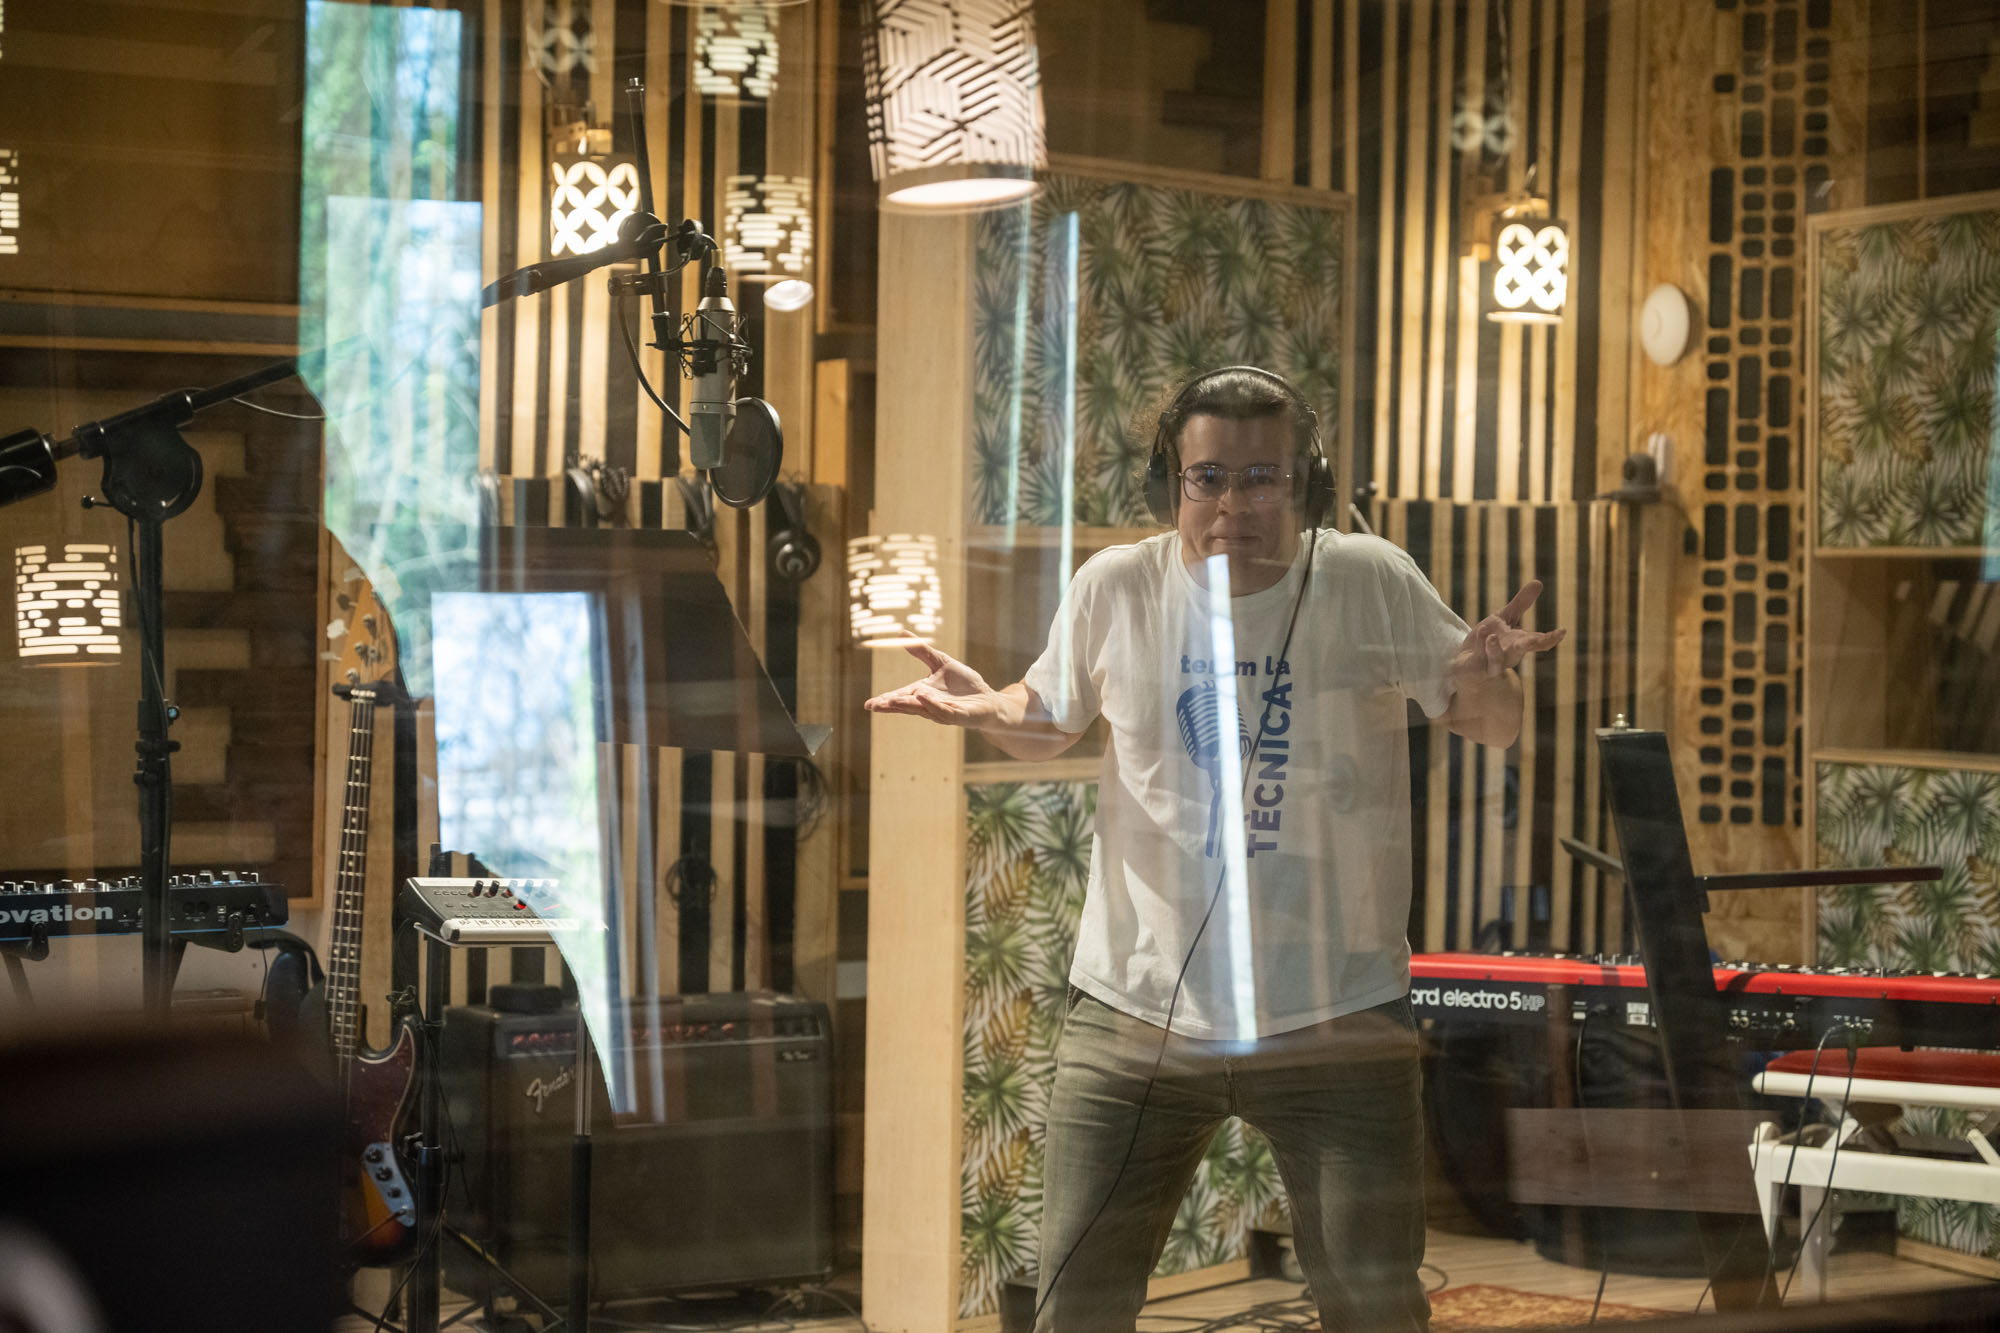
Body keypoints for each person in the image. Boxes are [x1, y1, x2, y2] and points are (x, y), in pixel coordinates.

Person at [866, 367, 1565, 1332]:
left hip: (1336, 1015)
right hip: (1135, 1014)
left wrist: (1486, 674)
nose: (1234, 504)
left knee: (1376, 1308)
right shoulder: (1117, 586)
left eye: (1262, 477)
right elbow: (1050, 719)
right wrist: (991, 706)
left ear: (1305, 484)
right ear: (1173, 484)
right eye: (1208, 478)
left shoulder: (1369, 579)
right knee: (1077, 1304)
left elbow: (1491, 722)